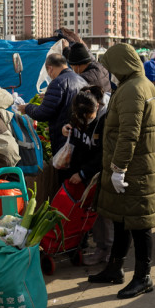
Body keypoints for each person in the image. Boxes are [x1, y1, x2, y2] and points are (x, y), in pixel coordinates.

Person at [87, 44, 155, 298]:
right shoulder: (138, 84)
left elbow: (130, 133)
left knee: (140, 224)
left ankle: (143, 276)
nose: (109, 73)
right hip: (135, 165)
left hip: (134, 169)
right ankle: (115, 268)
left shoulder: (132, 89)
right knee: (121, 219)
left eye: (111, 68)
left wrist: (119, 168)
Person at [61, 86, 113, 266]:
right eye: (80, 116)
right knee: (83, 209)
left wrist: (83, 173)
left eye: (88, 115)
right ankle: (81, 244)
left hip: (97, 171)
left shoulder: (106, 119)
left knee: (99, 212)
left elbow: (103, 154)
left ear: (97, 107)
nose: (84, 119)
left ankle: (105, 249)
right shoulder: (78, 111)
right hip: (78, 170)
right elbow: (75, 139)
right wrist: (66, 129)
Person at [19, 53, 87, 153]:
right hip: (80, 136)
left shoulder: (58, 82)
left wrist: (27, 108)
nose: (50, 76)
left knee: (64, 166)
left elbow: (42, 113)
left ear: (50, 68)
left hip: (64, 138)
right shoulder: (81, 80)